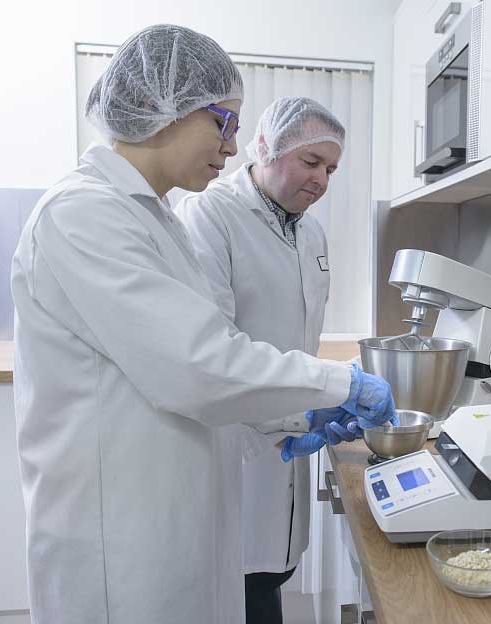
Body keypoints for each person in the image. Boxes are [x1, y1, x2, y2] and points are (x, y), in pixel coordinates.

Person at [10, 24, 395, 624]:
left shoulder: (155, 220)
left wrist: (292, 417)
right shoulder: (82, 214)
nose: (234, 147)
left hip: (172, 519)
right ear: (158, 105)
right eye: (224, 123)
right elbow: (199, 364)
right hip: (120, 544)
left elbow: (195, 365)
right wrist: (340, 383)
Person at [177, 96, 352, 623]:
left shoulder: (311, 230)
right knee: (237, 585)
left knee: (269, 576)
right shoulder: (211, 215)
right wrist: (310, 400)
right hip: (235, 441)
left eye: (331, 169)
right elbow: (215, 352)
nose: (321, 180)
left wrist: (308, 405)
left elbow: (297, 335)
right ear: (265, 148)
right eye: (311, 162)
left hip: (286, 438)